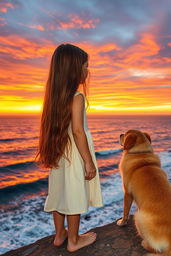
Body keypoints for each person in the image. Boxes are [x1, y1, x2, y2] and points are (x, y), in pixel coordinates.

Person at [35, 43, 104, 252]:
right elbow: (78, 131)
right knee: (74, 193)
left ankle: (59, 236)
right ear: (74, 70)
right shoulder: (77, 97)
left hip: (59, 152)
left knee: (58, 192)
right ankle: (74, 240)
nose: (87, 70)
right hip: (75, 154)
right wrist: (88, 161)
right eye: (85, 66)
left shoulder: (54, 99)